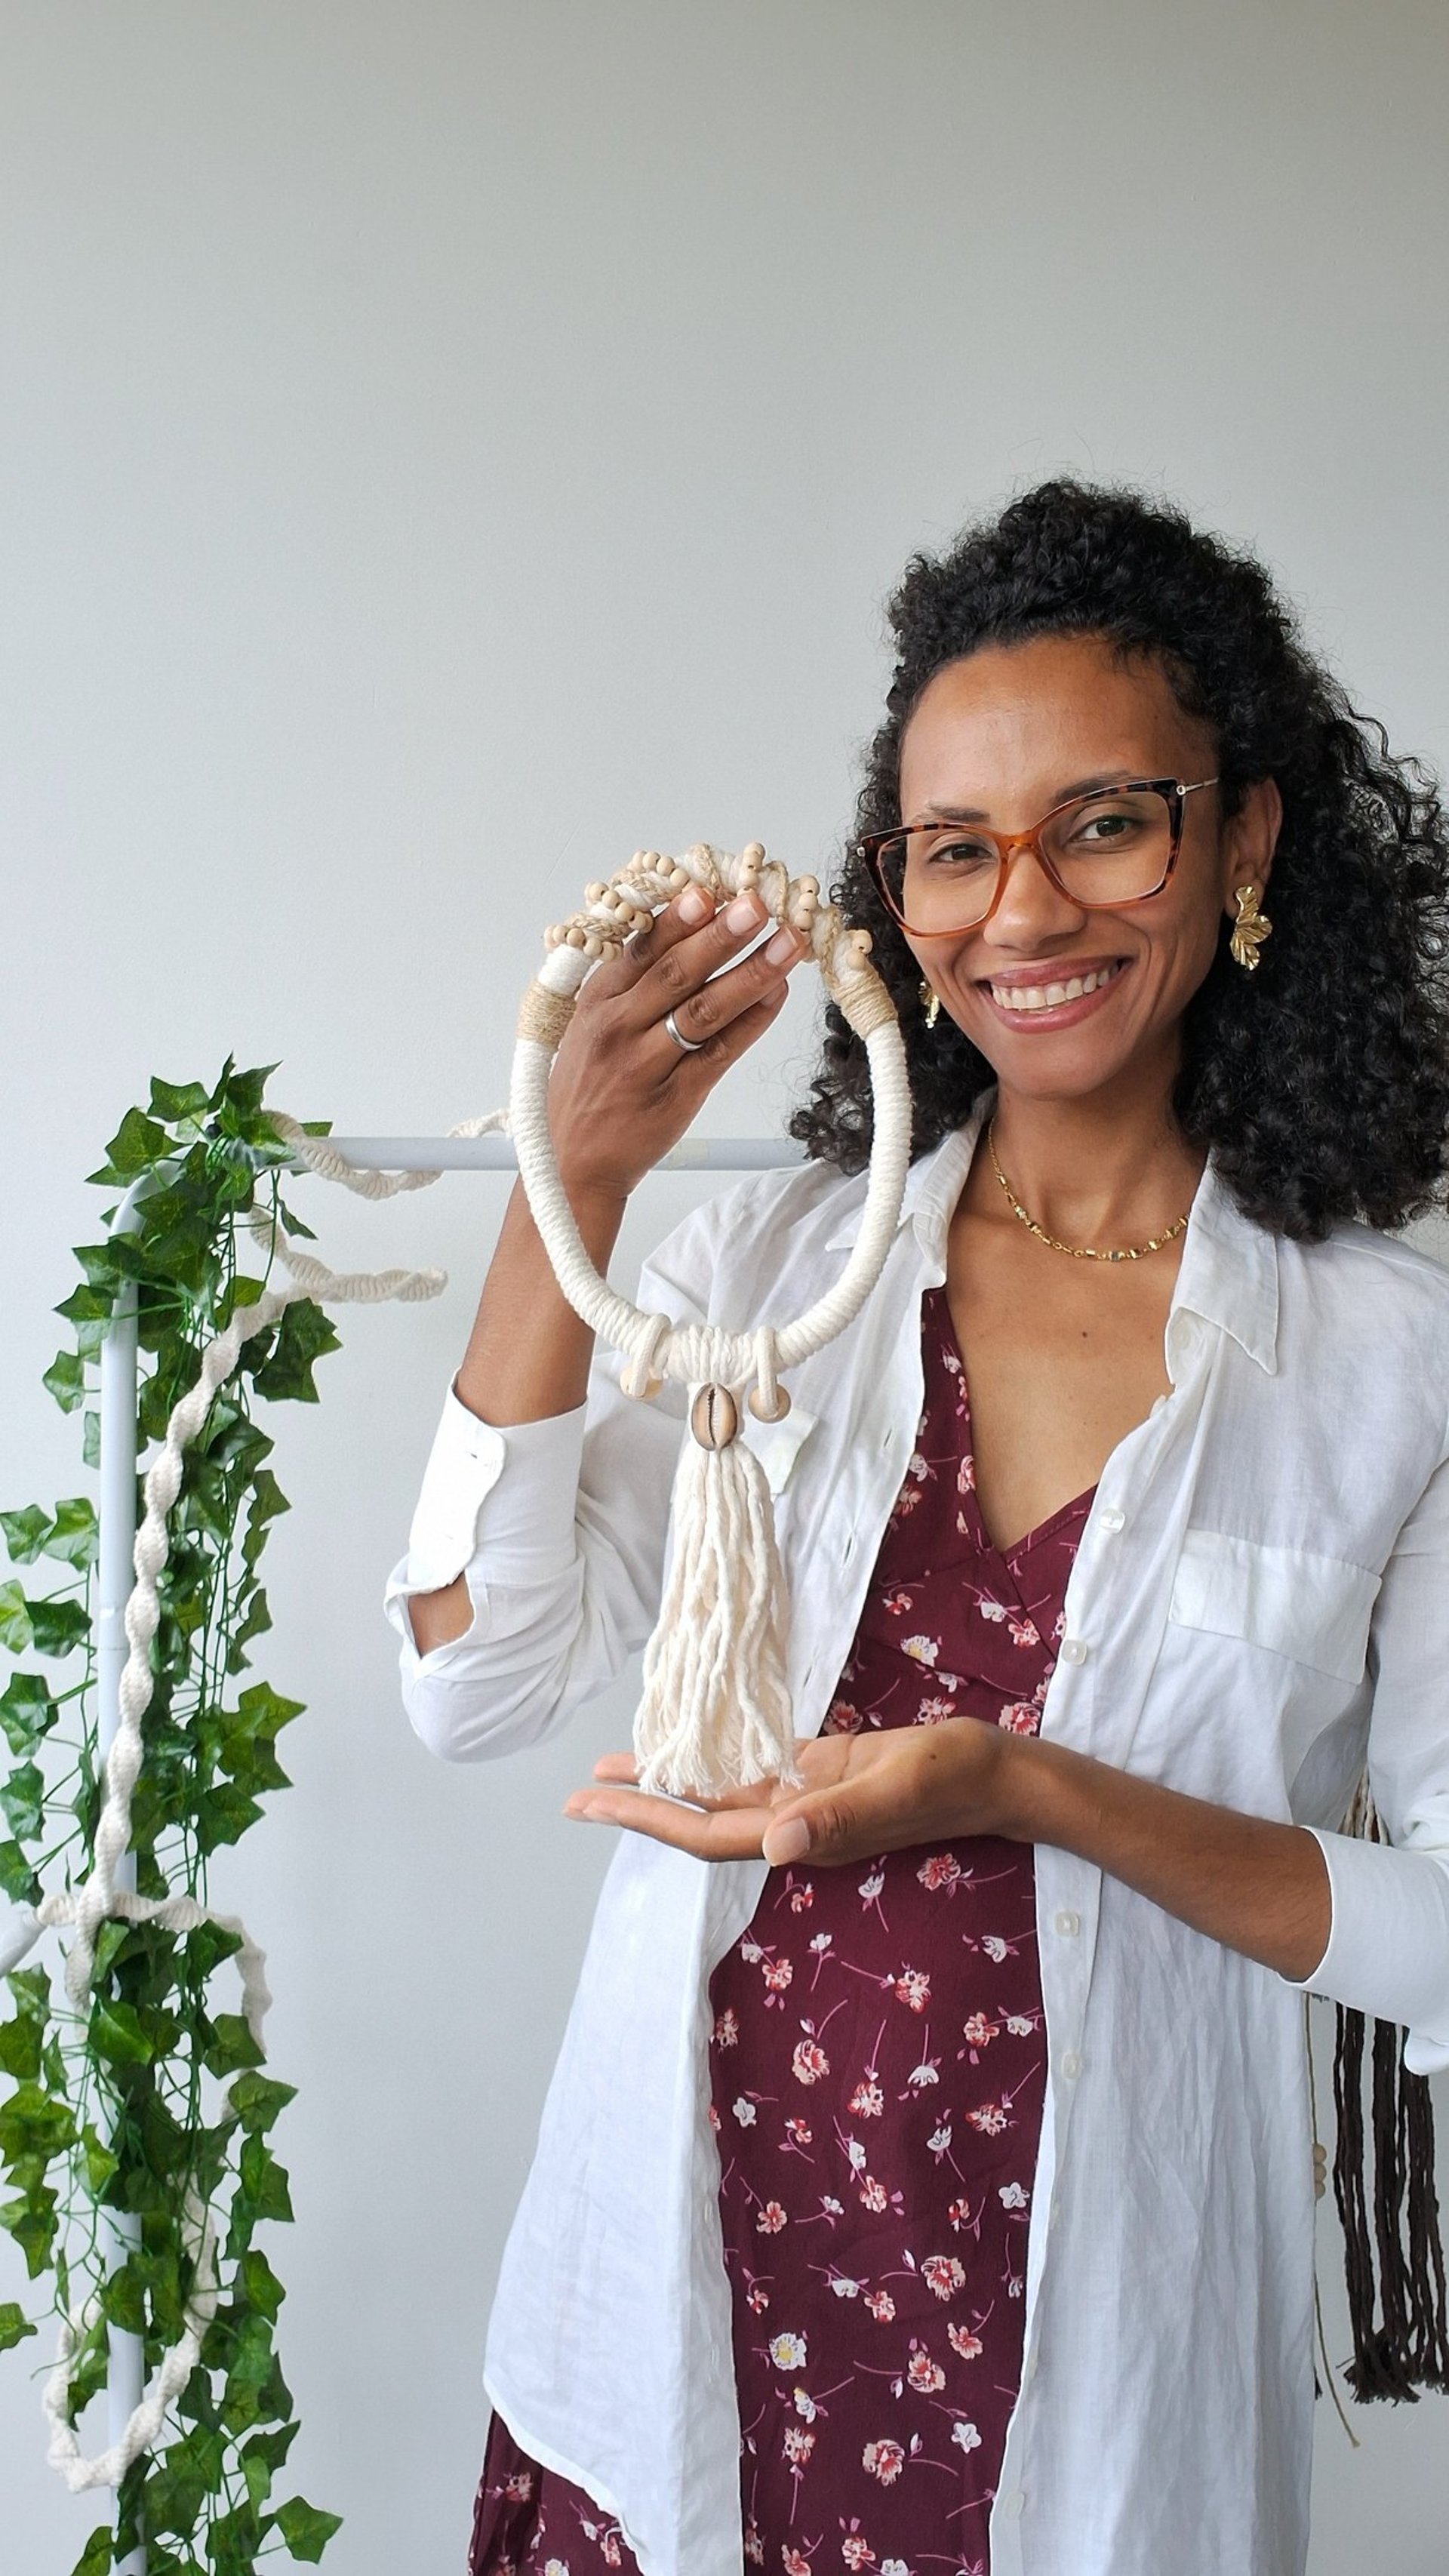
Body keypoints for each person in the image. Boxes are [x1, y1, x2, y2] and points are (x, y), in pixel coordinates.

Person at [385, 477, 1449, 2576]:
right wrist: (564, 1194)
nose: (1023, 910)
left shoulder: (1391, 1358)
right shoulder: (783, 1277)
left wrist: (1026, 1787)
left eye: (1105, 820)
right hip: (688, 2309)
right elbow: (470, 1680)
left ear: (1245, 839)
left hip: (1097, 2363)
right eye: (956, 848)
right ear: (896, 895)